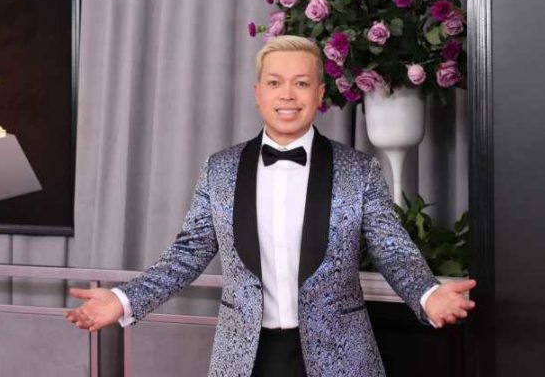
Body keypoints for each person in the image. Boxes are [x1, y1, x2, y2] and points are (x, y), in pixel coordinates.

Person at [66, 35, 475, 376]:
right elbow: (186, 255)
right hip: (245, 358)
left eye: (301, 83)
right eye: (275, 82)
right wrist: (124, 299)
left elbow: (391, 249)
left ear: (319, 93)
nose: (287, 95)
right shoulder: (220, 169)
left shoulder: (359, 170)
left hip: (341, 357)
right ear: (258, 93)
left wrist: (427, 294)